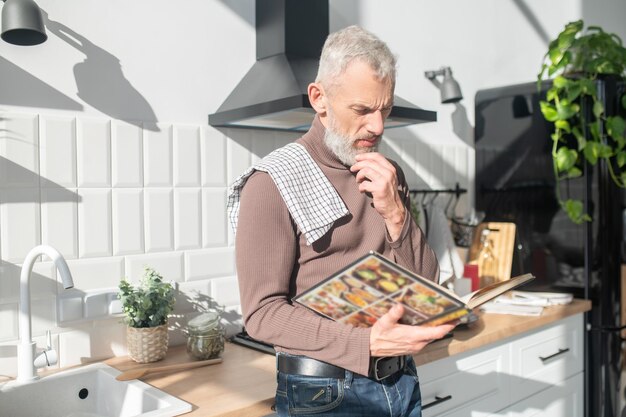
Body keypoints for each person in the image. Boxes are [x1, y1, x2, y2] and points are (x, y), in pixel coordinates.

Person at [229, 25, 456, 417]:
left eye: (384, 109)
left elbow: (425, 287)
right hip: (324, 393)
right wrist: (364, 343)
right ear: (319, 98)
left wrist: (396, 213)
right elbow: (262, 314)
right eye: (363, 110)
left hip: (402, 381)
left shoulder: (387, 175)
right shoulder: (271, 183)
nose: (378, 126)